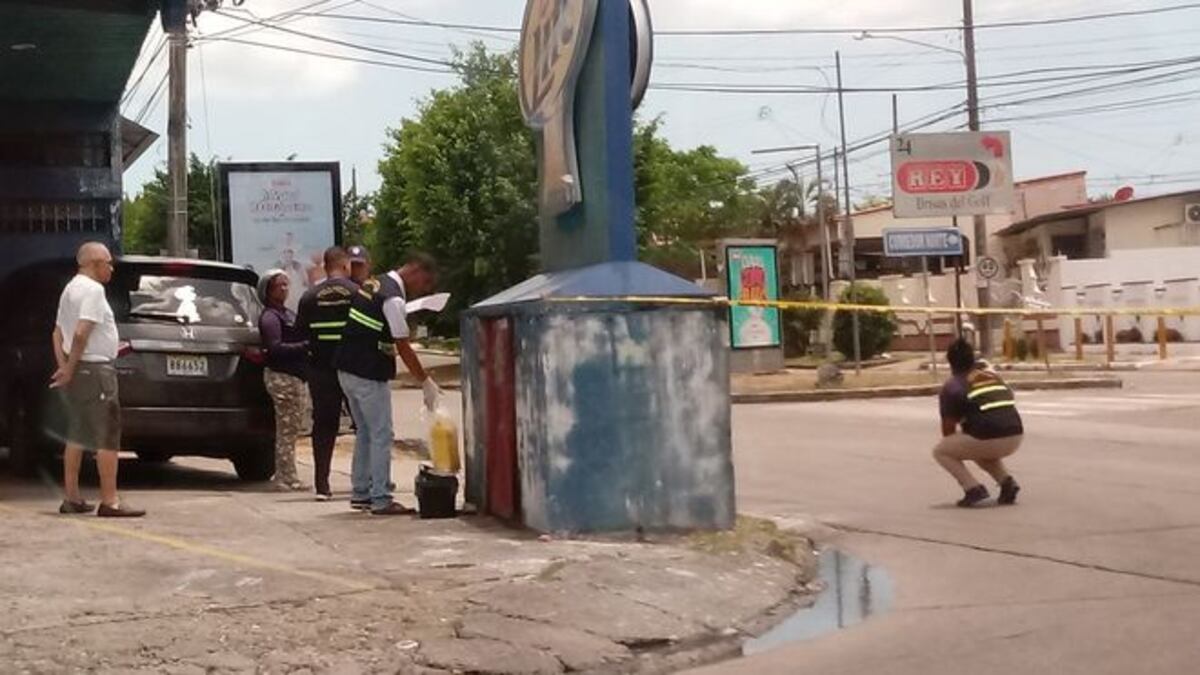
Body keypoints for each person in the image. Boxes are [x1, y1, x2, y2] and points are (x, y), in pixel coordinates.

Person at [334, 253, 440, 516]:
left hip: (346, 370)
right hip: (367, 373)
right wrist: (425, 381)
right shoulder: (392, 297)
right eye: (424, 283)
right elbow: (402, 345)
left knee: (366, 433)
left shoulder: (375, 283)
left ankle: (361, 493)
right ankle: (380, 498)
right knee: (381, 434)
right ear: (415, 270)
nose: (422, 289)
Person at [51, 242, 145, 517]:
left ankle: (72, 496)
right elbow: (81, 333)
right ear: (94, 263)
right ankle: (110, 500)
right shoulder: (93, 290)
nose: (111, 268)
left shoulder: (70, 288)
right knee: (107, 436)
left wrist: (65, 366)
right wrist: (68, 369)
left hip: (79, 370)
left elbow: (57, 333)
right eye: (108, 262)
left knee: (77, 433)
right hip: (96, 371)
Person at [296, 247, 358, 501]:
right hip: (353, 368)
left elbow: (301, 335)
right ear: (345, 266)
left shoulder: (310, 296)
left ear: (325, 265)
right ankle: (368, 481)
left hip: (321, 370)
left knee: (324, 426)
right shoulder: (357, 294)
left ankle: (322, 484)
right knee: (364, 425)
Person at [934, 338, 1024, 507]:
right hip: (1016, 435)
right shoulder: (991, 376)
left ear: (950, 362)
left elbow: (948, 432)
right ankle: (1007, 483)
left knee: (941, 451)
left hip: (989, 438)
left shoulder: (952, 386)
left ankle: (973, 489)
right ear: (973, 359)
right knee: (977, 444)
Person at [257, 269, 311, 491]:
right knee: (286, 430)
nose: (285, 289)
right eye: (280, 285)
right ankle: (284, 477)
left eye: (287, 284)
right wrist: (306, 346)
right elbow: (275, 348)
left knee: (292, 428)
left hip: (295, 376)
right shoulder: (270, 317)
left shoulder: (287, 313)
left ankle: (289, 475)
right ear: (268, 289)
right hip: (282, 377)